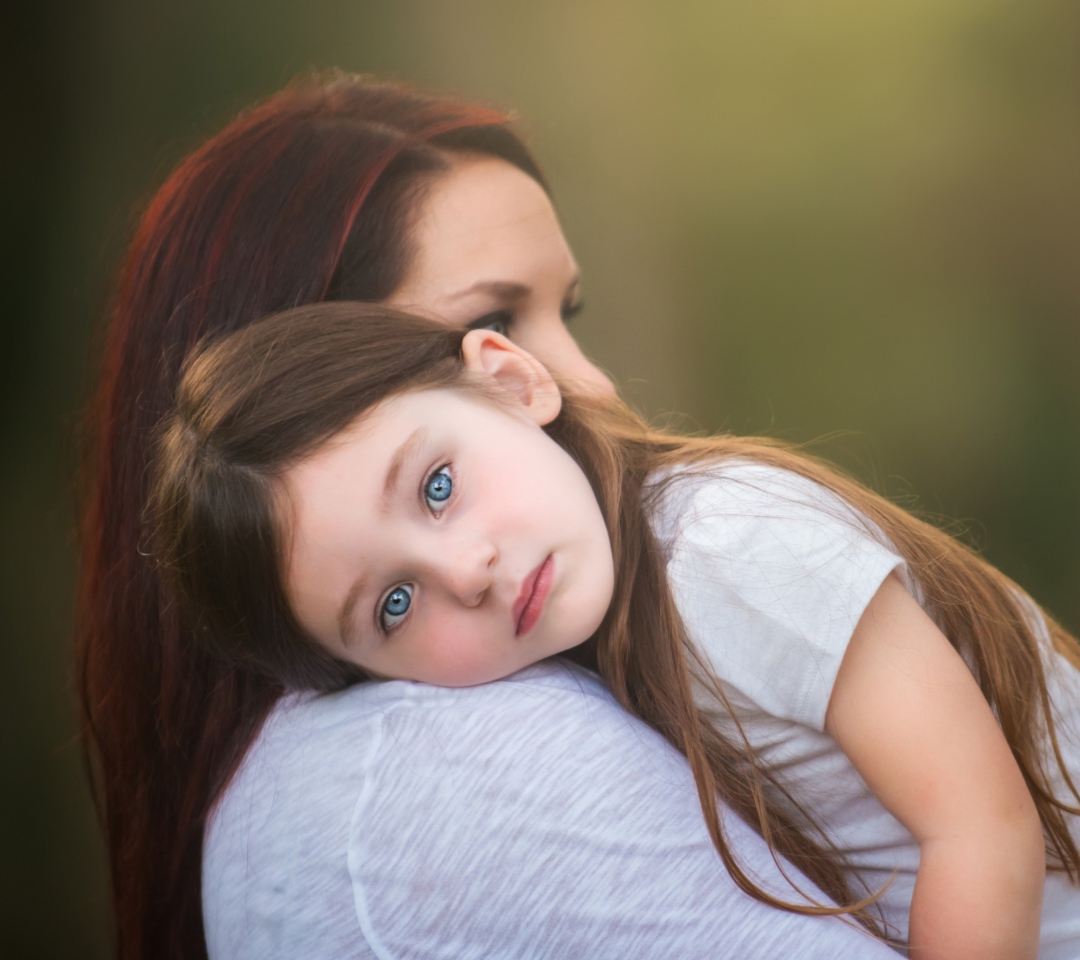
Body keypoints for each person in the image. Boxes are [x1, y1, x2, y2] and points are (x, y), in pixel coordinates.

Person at [78, 72, 886, 960]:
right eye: (496, 314)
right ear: (301, 372)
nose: (595, 387)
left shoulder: (709, 558)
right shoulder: (454, 763)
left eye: (561, 312)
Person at [151, 302, 1080, 960]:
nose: (465, 572)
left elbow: (981, 828)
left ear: (512, 382)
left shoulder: (727, 548)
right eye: (394, 605)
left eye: (438, 486)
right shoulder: (580, 651)